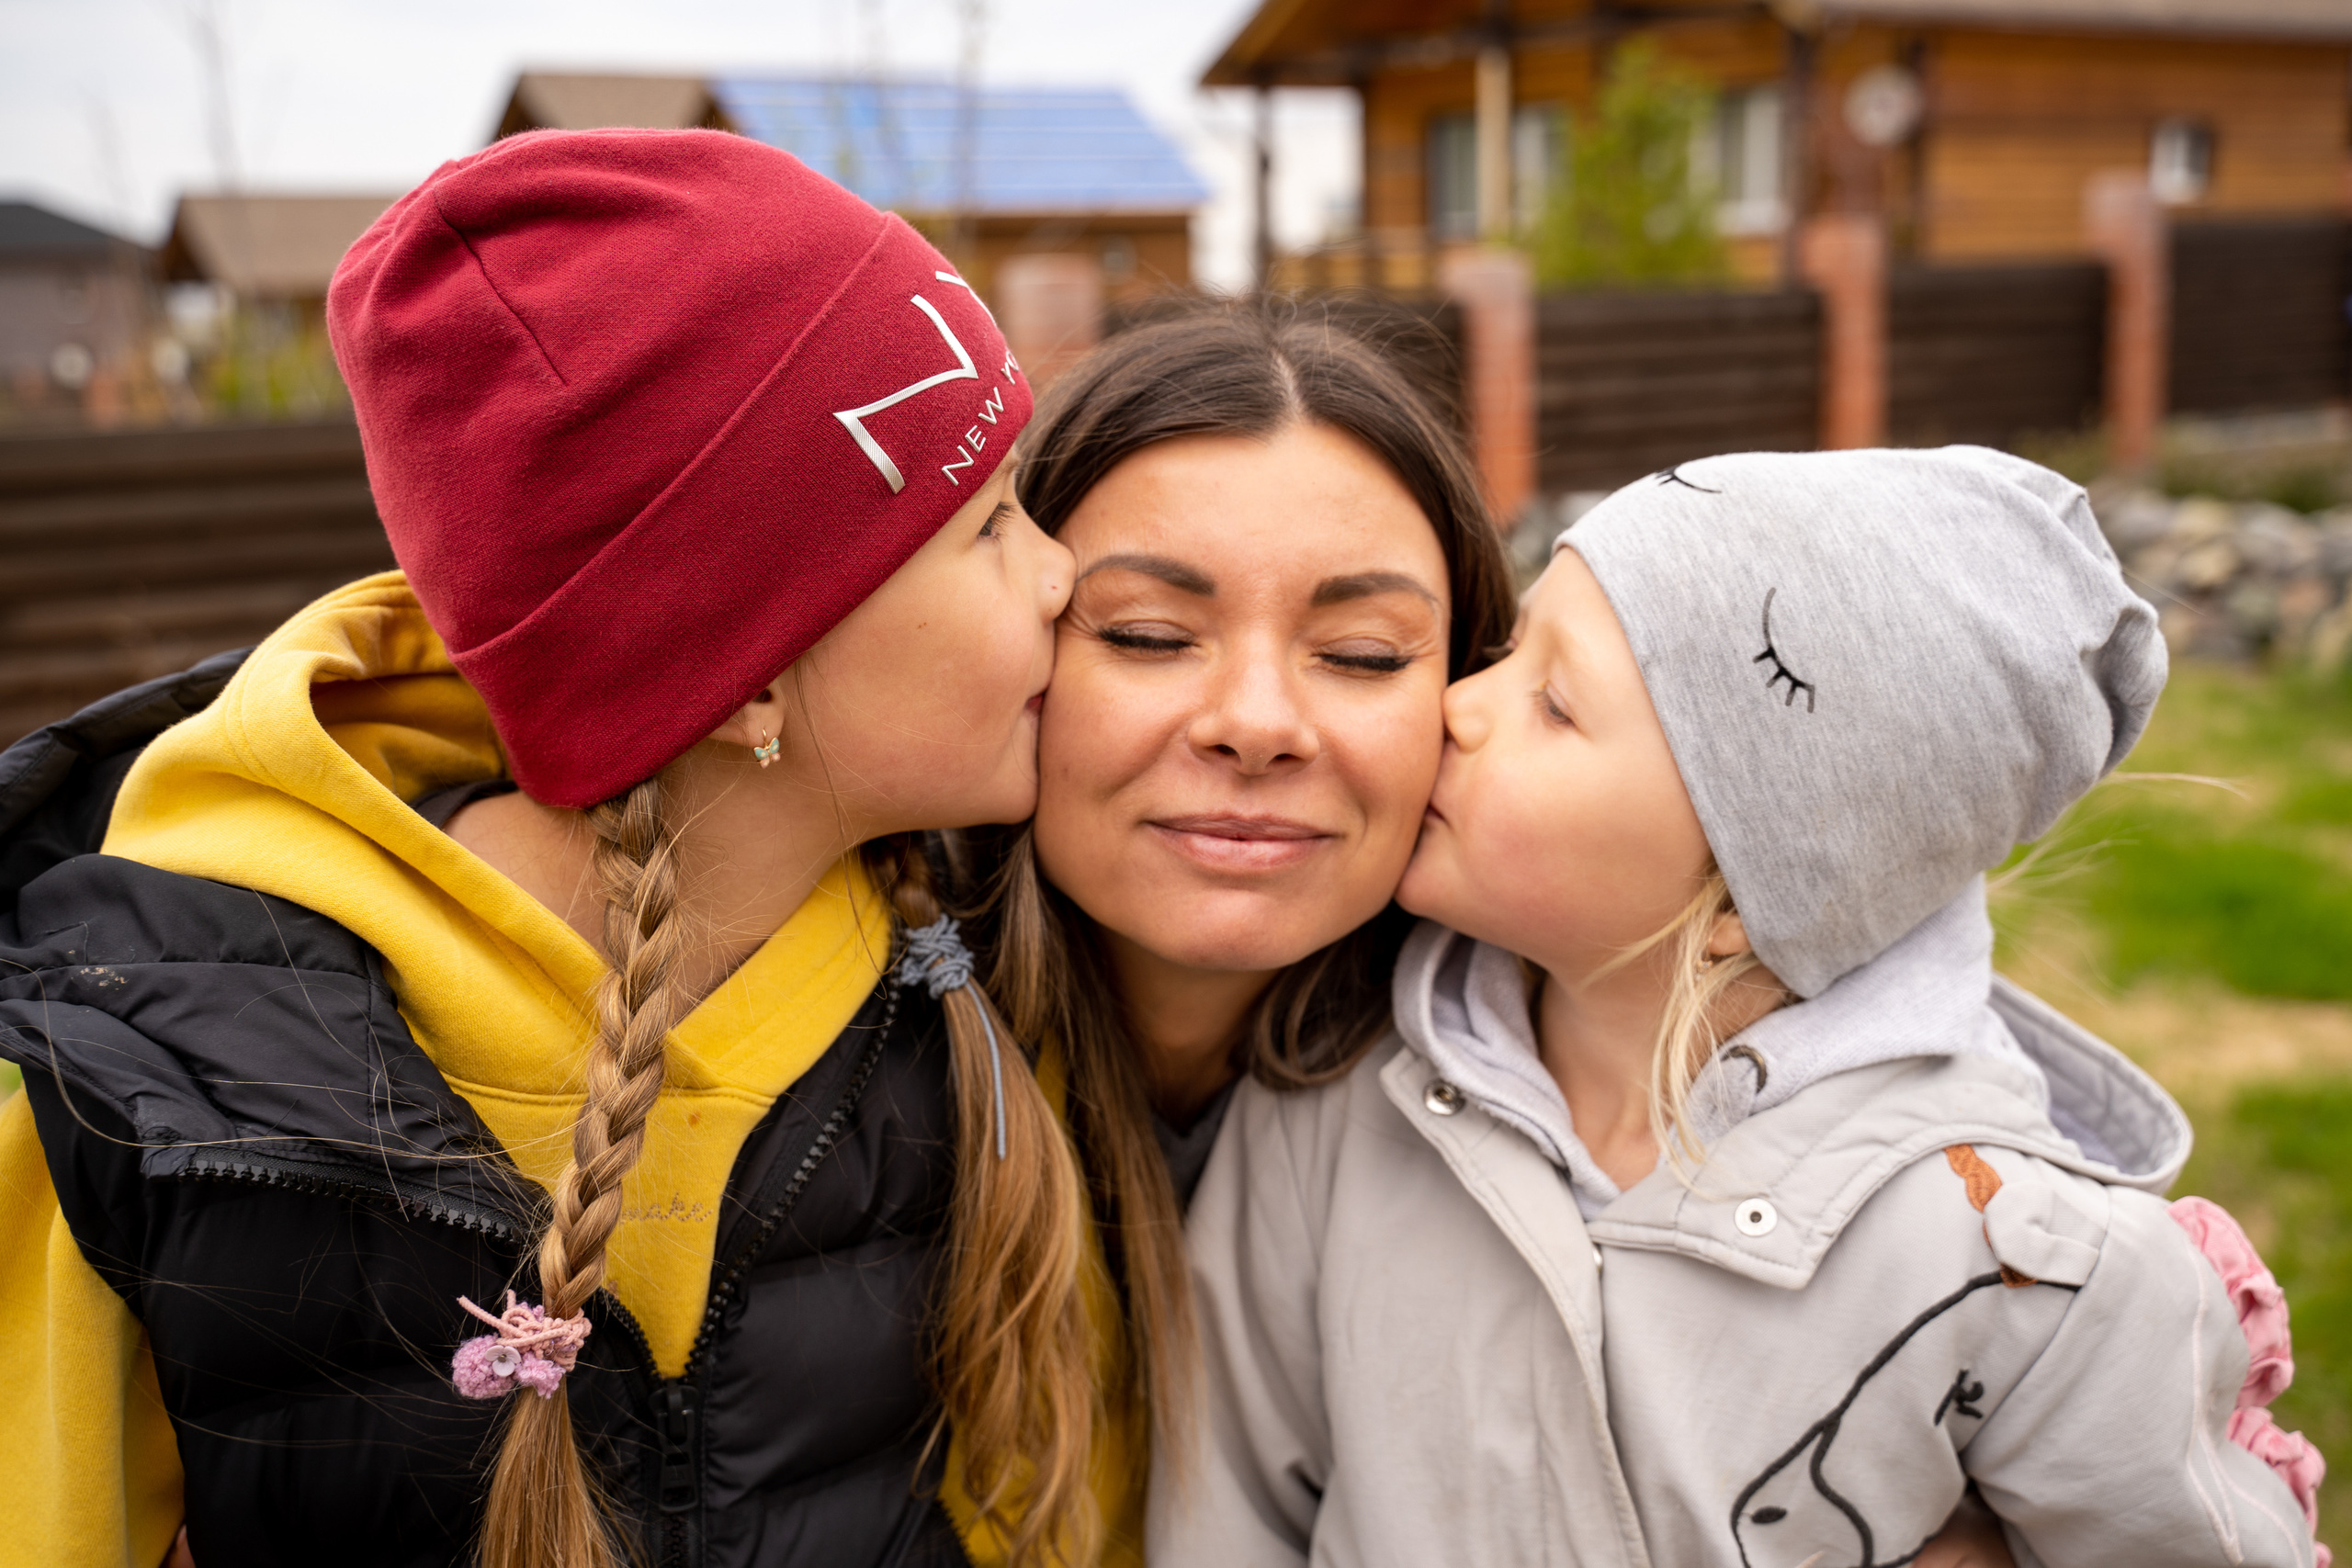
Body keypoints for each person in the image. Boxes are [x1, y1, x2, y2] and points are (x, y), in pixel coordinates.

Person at [0, 130, 1107, 1568]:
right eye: (990, 522)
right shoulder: (122, 1102)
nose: (1064, 570)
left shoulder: (964, 987)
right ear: (746, 673)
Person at [962, 303, 2022, 1567]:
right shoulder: (848, 1093)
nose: (1257, 721)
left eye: (1361, 653)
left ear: (1460, 691)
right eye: (1145, 633)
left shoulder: (1591, 1064)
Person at [1161, 446, 2330, 1566]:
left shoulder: (2016, 1265)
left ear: (1744, 892)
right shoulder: (1334, 1106)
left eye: (1554, 704)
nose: (1460, 703)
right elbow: (1223, 1507)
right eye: (1509, 651)